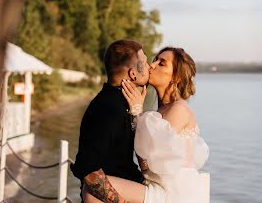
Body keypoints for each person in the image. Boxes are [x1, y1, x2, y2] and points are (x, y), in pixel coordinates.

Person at [83, 46, 210, 203]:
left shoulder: (179, 109)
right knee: (93, 187)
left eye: (161, 63)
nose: (152, 65)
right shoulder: (159, 111)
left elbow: (147, 164)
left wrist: (137, 113)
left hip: (173, 193)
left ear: (176, 77)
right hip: (155, 186)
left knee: (91, 190)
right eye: (155, 59)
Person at [71, 39, 151, 202]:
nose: (149, 67)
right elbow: (87, 167)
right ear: (133, 73)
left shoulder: (120, 102)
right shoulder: (108, 108)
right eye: (145, 62)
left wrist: (137, 114)